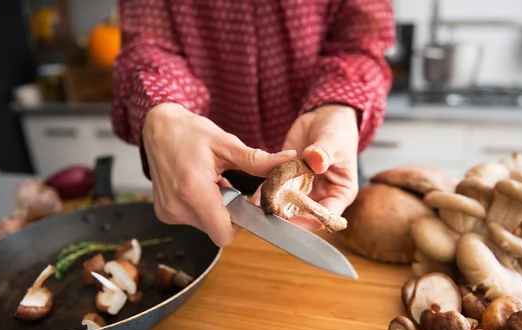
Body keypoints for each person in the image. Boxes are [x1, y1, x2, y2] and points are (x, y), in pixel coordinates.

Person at [111, 0, 395, 248]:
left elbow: (362, 41)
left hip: (326, 161)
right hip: (206, 168)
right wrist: (163, 115)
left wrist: (339, 107)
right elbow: (147, 43)